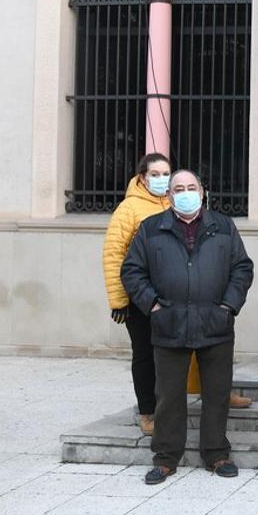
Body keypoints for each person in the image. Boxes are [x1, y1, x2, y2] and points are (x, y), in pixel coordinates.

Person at [121, 170, 255, 485]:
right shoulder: (151, 228)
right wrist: (153, 305)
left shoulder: (223, 226)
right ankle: (166, 458)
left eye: (191, 187)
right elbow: (132, 271)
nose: (185, 192)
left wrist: (228, 306)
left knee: (217, 392)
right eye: (178, 188)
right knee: (168, 395)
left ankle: (216, 453)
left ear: (202, 191)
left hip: (215, 323)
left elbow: (241, 268)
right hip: (169, 324)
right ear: (168, 195)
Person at [102, 153, 171, 436]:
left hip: (173, 294)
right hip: (139, 296)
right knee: (145, 354)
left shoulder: (174, 202)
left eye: (166, 173)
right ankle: (148, 412)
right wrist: (119, 300)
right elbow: (113, 254)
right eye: (155, 174)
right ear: (142, 177)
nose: (161, 179)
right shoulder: (129, 209)